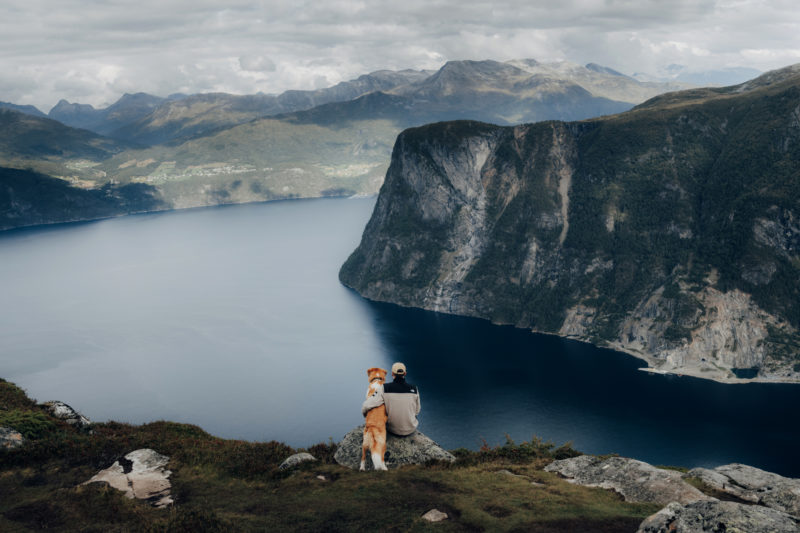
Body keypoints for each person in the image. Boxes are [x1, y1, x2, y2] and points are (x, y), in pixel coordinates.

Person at [361, 362, 420, 436]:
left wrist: (365, 415)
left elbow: (366, 405)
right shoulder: (414, 389)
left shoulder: (385, 388)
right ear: (405, 374)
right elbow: (417, 411)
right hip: (411, 429)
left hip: (392, 429)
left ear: (392, 374)